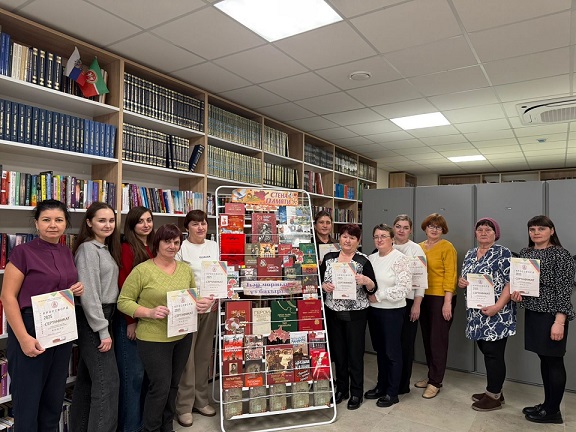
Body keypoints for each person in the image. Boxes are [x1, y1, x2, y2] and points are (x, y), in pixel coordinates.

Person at [117, 224, 213, 432]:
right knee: (159, 387)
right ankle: (150, 429)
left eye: (176, 242)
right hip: (153, 338)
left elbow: (193, 296)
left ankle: (167, 426)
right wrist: (149, 312)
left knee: (173, 385)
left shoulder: (185, 269)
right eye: (167, 241)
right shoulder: (142, 270)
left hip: (182, 336)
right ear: (157, 243)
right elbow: (123, 302)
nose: (172, 246)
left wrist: (202, 304)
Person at [0, 199, 84, 431]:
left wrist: (75, 289)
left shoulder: (66, 252)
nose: (52, 225)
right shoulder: (23, 252)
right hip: (30, 329)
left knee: (53, 401)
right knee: (28, 403)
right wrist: (24, 338)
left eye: (59, 220)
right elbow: (8, 297)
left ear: (65, 224)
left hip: (60, 329)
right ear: (36, 223)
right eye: (46, 220)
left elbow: (57, 288)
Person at [511, 216, 575, 424]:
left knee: (554, 361)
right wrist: (517, 294)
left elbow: (564, 290)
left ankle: (553, 411)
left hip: (552, 315)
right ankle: (547, 405)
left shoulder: (561, 254)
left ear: (551, 231)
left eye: (541, 228)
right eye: (532, 229)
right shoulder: (526, 253)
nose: (536, 232)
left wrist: (560, 321)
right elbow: (522, 284)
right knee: (544, 359)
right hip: (534, 313)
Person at [70, 201, 121, 432]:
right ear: (89, 223)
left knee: (88, 381)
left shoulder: (104, 247)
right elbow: (89, 294)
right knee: (108, 383)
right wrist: (102, 330)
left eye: (111, 220)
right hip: (95, 319)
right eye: (102, 220)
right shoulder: (88, 249)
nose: (107, 225)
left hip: (104, 315)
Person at [458, 218, 516, 411]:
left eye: (488, 230)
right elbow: (466, 277)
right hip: (476, 314)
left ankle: (494, 397)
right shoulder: (470, 253)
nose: (483, 233)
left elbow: (511, 282)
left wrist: (497, 307)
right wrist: (461, 282)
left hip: (497, 313)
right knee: (487, 351)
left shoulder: (503, 252)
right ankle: (495, 389)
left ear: (495, 233)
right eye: (480, 229)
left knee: (493, 355)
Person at [320, 224, 377, 410]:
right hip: (333, 312)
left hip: (356, 314)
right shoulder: (329, 258)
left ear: (358, 241)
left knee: (355, 354)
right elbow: (320, 282)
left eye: (352, 238)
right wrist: (324, 286)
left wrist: (367, 281)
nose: (347, 240)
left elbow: (373, 288)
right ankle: (342, 389)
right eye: (345, 236)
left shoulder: (363, 261)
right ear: (339, 238)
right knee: (339, 353)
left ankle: (356, 392)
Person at [175, 210, 219, 428]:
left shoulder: (214, 246)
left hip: (211, 307)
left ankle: (201, 400)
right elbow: (176, 278)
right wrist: (195, 301)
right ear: (187, 227)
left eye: (203, 223)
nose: (200, 228)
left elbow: (221, 275)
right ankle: (184, 406)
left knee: (202, 356)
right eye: (195, 224)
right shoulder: (180, 248)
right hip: (187, 309)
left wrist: (215, 298)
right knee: (186, 359)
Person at [114, 206, 154, 432]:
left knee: (148, 376)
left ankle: (143, 424)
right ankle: (130, 427)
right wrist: (131, 321)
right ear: (131, 225)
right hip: (131, 319)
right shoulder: (127, 248)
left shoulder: (155, 246)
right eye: (140, 221)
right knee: (133, 376)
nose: (146, 225)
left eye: (149, 220)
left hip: (152, 320)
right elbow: (123, 287)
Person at [365, 224, 411, 408]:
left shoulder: (400, 259)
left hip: (392, 311)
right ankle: (381, 386)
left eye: (383, 236)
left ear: (392, 238)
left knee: (392, 352)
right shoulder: (371, 258)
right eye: (376, 236)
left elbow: (404, 288)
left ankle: (393, 392)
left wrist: (380, 296)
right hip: (374, 311)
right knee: (380, 351)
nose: (379, 240)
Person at [415, 213, 457, 399]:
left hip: (441, 298)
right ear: (425, 228)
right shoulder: (418, 247)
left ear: (443, 230)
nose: (434, 229)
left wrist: (447, 303)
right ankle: (431, 375)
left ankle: (435, 382)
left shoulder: (447, 247)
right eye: (431, 226)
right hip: (422, 296)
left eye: (438, 227)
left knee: (437, 341)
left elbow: (451, 275)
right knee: (427, 339)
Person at [391, 215, 426, 394]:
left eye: (405, 227)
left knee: (405, 344)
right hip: (390, 302)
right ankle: (390, 381)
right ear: (393, 228)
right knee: (391, 344)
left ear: (410, 230)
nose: (401, 230)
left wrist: (417, 305)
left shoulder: (416, 249)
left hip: (409, 301)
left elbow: (421, 280)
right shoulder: (387, 245)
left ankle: (402, 385)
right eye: (398, 226)